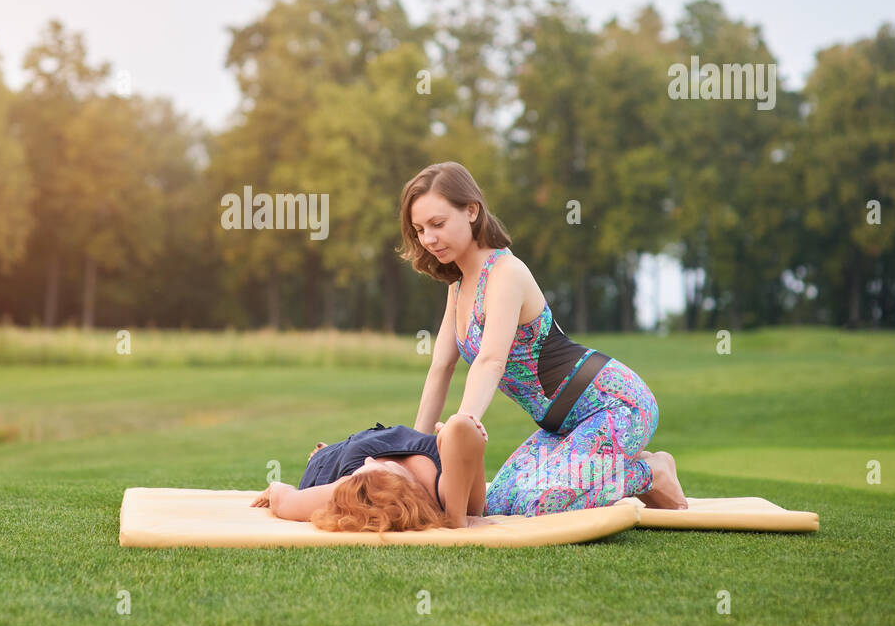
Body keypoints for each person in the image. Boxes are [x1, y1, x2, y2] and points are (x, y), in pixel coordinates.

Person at [398, 161, 689, 516]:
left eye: (437, 224)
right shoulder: (457, 286)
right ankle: (612, 465)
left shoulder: (505, 273)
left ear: (472, 211)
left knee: (539, 504)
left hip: (615, 405)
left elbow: (491, 360)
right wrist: (413, 452)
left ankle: (651, 473)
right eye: (420, 229)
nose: (428, 239)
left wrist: (463, 426)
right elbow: (441, 367)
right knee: (500, 505)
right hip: (559, 427)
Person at [250, 417, 496, 531]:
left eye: (365, 468)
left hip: (333, 465)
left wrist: (273, 488)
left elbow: (284, 499)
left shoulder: (347, 488)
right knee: (349, 455)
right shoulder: (441, 493)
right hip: (356, 449)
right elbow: (463, 428)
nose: (369, 461)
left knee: (332, 458)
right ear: (404, 487)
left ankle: (325, 455)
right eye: (380, 467)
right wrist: (449, 435)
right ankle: (328, 454)